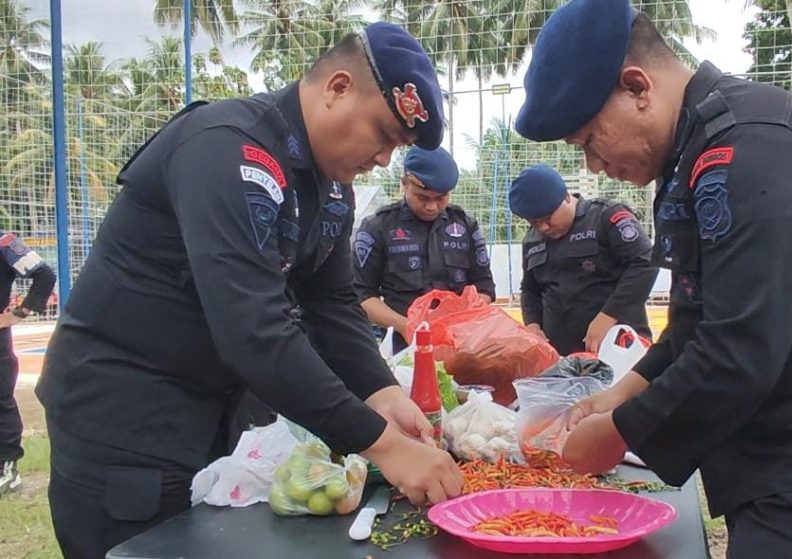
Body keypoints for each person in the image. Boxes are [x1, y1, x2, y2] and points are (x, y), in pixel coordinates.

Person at [513, 1, 792, 556]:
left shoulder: (750, 146)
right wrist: (619, 394)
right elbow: (696, 322)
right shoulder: (694, 154)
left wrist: (620, 431)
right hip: (784, 470)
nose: (594, 166)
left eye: (590, 141)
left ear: (636, 87)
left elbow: (740, 346)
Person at [36, 23, 463, 559]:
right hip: (128, 419)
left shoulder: (330, 191)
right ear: (336, 88)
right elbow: (254, 328)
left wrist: (385, 394)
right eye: (383, 134)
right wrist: (383, 444)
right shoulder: (226, 148)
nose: (383, 158)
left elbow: (331, 307)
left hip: (216, 415)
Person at [354, 146, 495, 353]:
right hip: (404, 347)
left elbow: (485, 288)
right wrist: (405, 326)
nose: (432, 207)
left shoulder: (465, 226)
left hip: (460, 346)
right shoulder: (379, 227)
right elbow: (362, 296)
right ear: (404, 185)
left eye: (441, 199)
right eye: (422, 198)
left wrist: (465, 316)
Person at [508, 164, 657, 355]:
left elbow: (645, 262)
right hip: (562, 359)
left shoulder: (605, 217)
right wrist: (533, 324)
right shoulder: (532, 240)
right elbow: (530, 289)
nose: (543, 227)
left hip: (619, 350)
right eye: (534, 222)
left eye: (547, 217)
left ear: (566, 197)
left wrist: (608, 316)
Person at [0, 231, 55, 496]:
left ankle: (7, 471)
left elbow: (44, 275)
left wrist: (19, 313)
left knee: (1, 403)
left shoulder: (4, 243)